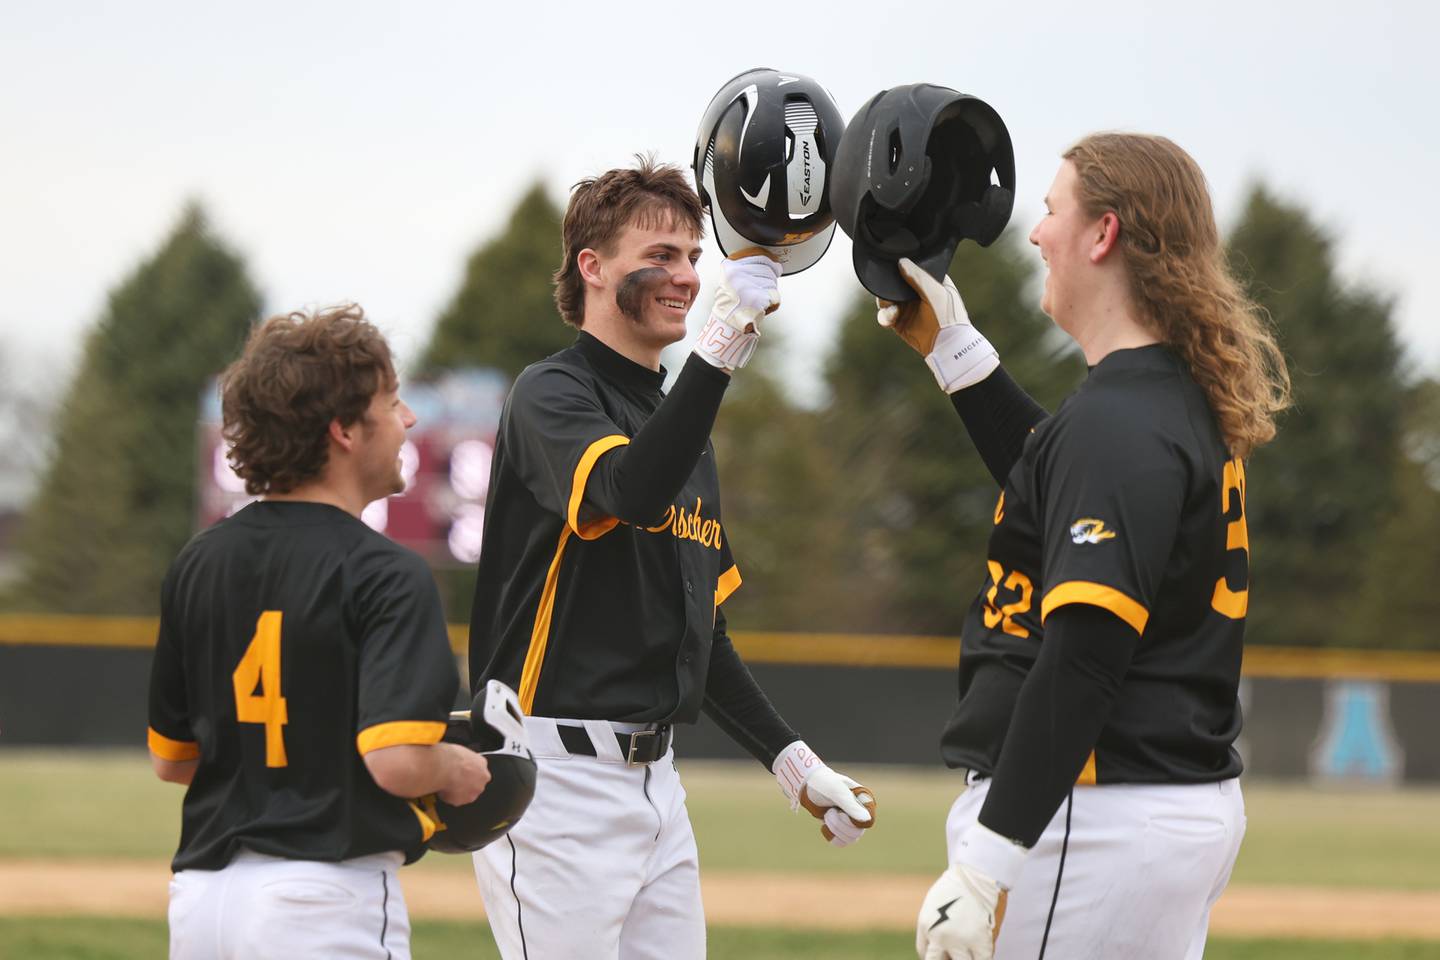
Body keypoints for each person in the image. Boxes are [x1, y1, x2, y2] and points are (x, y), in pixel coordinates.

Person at [886, 134, 1291, 959]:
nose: (1036, 234)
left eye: (1050, 210)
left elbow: (1082, 661)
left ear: (1102, 235)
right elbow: (1056, 471)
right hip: (1148, 806)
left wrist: (988, 864)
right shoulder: (1165, 400)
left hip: (1089, 813)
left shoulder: (1118, 420)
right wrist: (954, 350)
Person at [467, 157, 876, 960]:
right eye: (658, 255)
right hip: (553, 778)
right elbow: (629, 489)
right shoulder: (549, 394)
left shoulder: (683, 432)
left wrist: (792, 762)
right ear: (592, 267)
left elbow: (702, 637)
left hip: (657, 785)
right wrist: (722, 347)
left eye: (693, 255)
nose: (684, 275)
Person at [146, 304, 492, 960]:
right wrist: (452, 766)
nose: (410, 420)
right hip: (323, 899)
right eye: (392, 402)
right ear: (343, 430)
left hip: (202, 902)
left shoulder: (199, 560)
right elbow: (395, 763)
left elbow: (173, 759)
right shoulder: (387, 572)